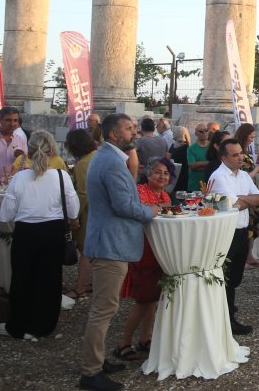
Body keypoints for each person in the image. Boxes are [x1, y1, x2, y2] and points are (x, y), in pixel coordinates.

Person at [79, 113, 159, 391]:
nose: (134, 132)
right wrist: (150, 211)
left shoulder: (108, 158)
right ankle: (90, 372)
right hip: (110, 245)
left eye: (134, 127)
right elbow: (123, 205)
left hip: (109, 242)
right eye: (128, 128)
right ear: (113, 134)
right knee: (104, 309)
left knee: (105, 307)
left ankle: (97, 361)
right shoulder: (111, 162)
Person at [0, 130, 78, 341]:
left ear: (29, 152)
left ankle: (18, 324)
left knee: (22, 277)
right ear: (52, 151)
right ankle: (43, 324)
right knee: (49, 278)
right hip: (52, 232)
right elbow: (73, 209)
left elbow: (5, 214)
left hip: (26, 232)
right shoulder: (61, 176)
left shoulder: (19, 178)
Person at [114, 160, 171, 360]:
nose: (162, 176)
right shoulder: (140, 191)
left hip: (157, 252)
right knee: (143, 301)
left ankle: (145, 338)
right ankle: (123, 343)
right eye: (157, 172)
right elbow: (142, 212)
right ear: (148, 175)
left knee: (152, 299)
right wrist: (162, 206)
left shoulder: (164, 194)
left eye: (165, 173)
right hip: (142, 252)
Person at [207, 139, 259, 335]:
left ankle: (227, 314)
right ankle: (227, 320)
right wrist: (244, 200)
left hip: (241, 231)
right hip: (225, 232)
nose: (241, 157)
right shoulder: (219, 176)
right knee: (226, 278)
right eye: (235, 155)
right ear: (224, 158)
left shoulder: (244, 175)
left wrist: (240, 200)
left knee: (235, 277)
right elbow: (232, 204)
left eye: (241, 153)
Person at [66, 128, 98, 301]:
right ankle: (93, 282)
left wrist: (73, 216)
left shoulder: (82, 163)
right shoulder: (97, 156)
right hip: (100, 210)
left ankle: (80, 288)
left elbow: (83, 193)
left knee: (85, 250)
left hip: (88, 212)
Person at [184, 123, 211, 192]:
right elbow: (192, 166)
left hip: (210, 184)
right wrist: (209, 164)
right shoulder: (191, 149)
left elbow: (216, 164)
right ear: (196, 134)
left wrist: (199, 164)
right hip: (195, 185)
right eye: (201, 131)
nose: (204, 133)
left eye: (206, 130)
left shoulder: (212, 147)